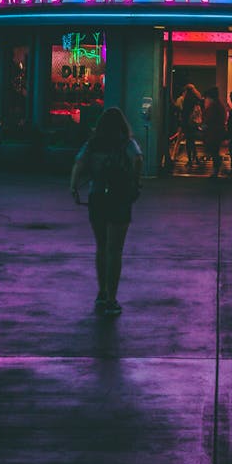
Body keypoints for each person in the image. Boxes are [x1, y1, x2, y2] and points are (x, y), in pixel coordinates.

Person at [70, 106, 142, 316]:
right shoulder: (126, 143)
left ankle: (101, 292)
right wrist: (135, 183)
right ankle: (112, 298)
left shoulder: (93, 143)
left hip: (97, 196)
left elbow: (79, 163)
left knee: (101, 246)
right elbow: (138, 159)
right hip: (120, 197)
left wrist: (73, 187)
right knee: (115, 249)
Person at [202, 86, 227, 179]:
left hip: (213, 132)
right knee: (215, 151)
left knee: (214, 151)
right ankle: (216, 169)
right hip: (217, 131)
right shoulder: (220, 106)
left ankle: (215, 170)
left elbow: (208, 119)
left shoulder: (213, 106)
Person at [177, 84, 204, 169]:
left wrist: (183, 123)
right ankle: (195, 158)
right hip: (195, 123)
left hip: (188, 124)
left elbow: (185, 113)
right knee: (192, 141)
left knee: (189, 142)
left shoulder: (187, 100)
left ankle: (190, 160)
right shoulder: (197, 99)